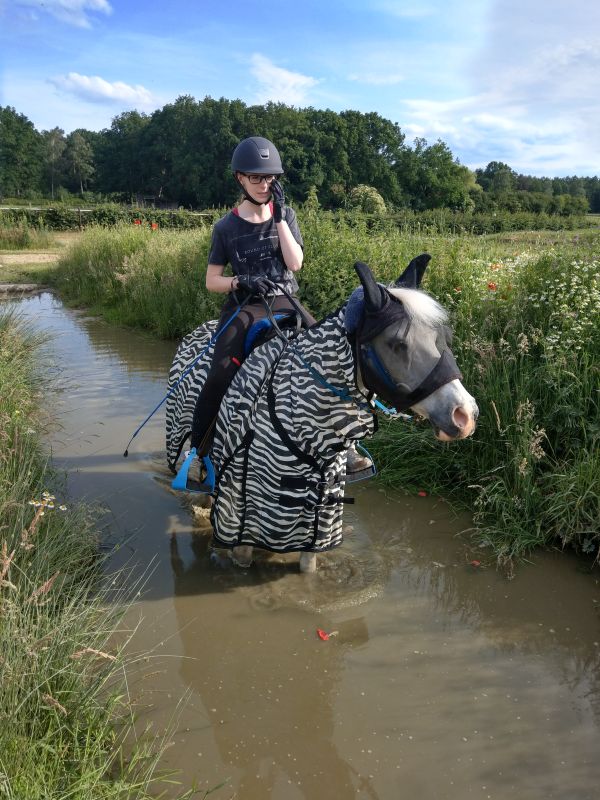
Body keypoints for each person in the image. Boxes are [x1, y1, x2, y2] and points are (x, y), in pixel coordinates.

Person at [188, 135, 372, 485]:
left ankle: (345, 446)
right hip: (245, 305)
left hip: (286, 299)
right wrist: (239, 281)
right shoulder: (225, 227)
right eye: (256, 178)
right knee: (220, 373)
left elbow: (295, 263)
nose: (264, 185)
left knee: (332, 355)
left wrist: (279, 220)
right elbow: (212, 280)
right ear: (240, 178)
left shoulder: (286, 215)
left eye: (269, 178)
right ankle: (198, 451)